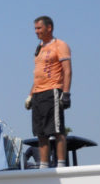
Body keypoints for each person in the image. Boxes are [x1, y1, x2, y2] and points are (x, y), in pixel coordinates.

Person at [25, 15, 72, 168]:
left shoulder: (60, 45)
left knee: (57, 130)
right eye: (35, 29)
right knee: (41, 133)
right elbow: (37, 74)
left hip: (52, 91)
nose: (36, 31)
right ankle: (43, 165)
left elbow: (67, 71)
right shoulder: (39, 47)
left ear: (49, 28)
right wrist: (30, 95)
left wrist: (66, 93)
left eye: (39, 28)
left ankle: (61, 164)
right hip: (38, 93)